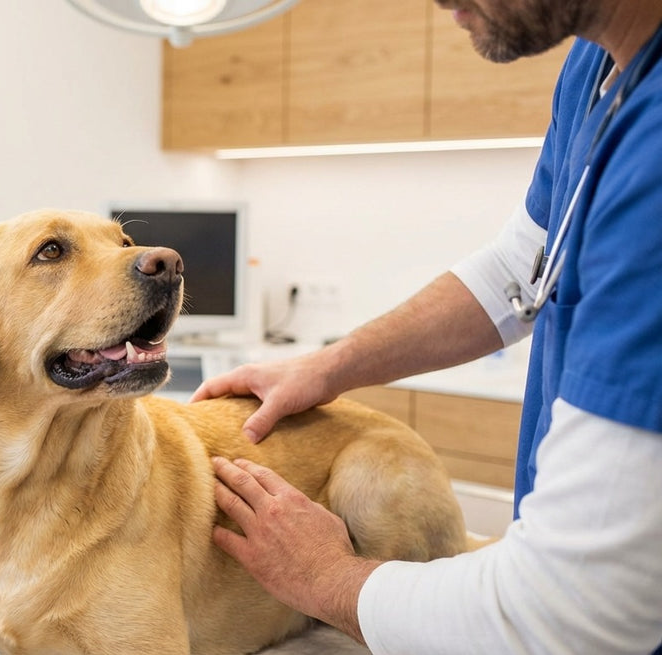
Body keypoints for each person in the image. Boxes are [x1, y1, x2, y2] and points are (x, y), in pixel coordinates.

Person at [191, 0, 662, 653]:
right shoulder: (593, 65)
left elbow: (570, 609)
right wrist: (326, 366)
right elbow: (521, 266)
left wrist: (324, 578)